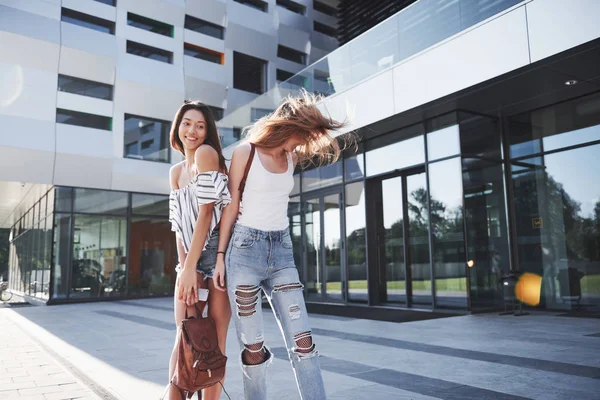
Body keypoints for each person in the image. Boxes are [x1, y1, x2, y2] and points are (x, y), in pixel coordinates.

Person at [212, 90, 346, 400]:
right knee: (253, 349)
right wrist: (220, 257)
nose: (304, 142)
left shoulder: (291, 157)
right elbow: (231, 207)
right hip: (244, 252)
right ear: (288, 126)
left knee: (304, 343)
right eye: (303, 134)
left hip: (282, 253)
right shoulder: (246, 152)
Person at [166, 100, 232, 400]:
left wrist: (192, 267)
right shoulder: (175, 172)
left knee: (214, 346)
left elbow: (207, 214)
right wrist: (183, 271)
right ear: (178, 127)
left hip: (215, 255)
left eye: (200, 125)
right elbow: (180, 227)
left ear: (208, 132)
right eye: (187, 123)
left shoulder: (207, 154)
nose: (192, 130)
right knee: (185, 338)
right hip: (189, 261)